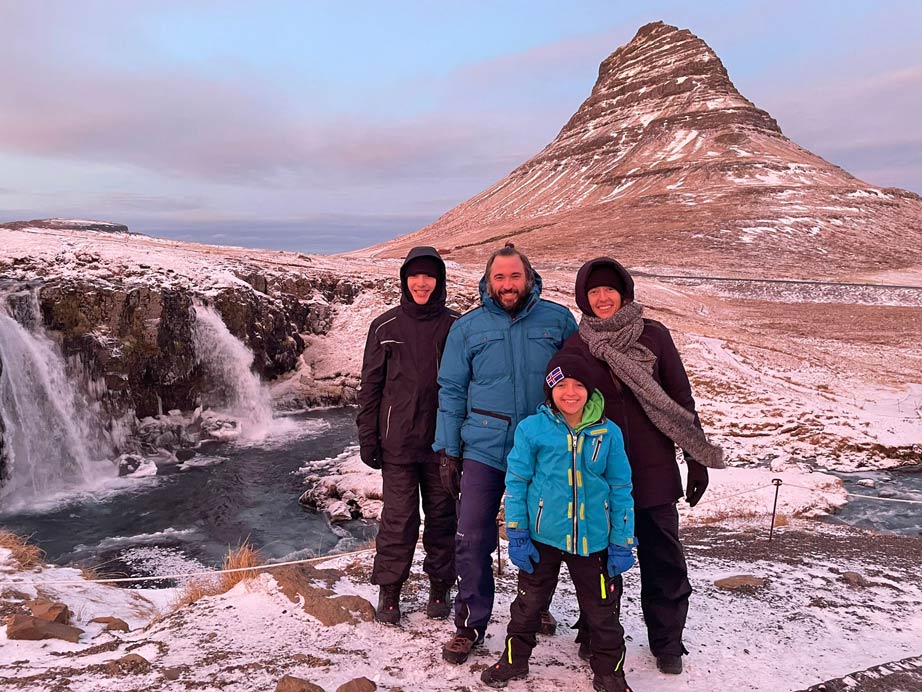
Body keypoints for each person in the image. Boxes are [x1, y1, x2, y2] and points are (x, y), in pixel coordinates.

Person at [561, 256, 724, 675]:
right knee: (597, 559)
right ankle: (597, 631)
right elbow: (566, 410)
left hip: (653, 471)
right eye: (593, 290)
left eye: (609, 289)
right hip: (598, 475)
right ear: (583, 296)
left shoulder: (654, 337)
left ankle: (668, 641)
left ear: (624, 292)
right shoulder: (576, 346)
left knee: (663, 559)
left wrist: (696, 457)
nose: (602, 297)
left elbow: (679, 400)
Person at [433, 242, 578, 664]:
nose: (508, 284)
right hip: (484, 447)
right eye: (500, 277)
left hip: (542, 447)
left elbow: (578, 382)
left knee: (542, 534)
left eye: (515, 276)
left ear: (529, 278)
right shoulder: (468, 328)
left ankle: (534, 609)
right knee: (473, 536)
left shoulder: (558, 320)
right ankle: (469, 624)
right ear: (488, 281)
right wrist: (448, 449)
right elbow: (452, 389)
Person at [481, 352, 636, 692]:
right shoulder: (532, 429)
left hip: (594, 541)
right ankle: (514, 659)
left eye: (579, 385)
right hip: (542, 538)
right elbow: (518, 481)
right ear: (549, 390)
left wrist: (623, 540)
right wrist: (518, 532)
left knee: (603, 612)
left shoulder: (608, 432)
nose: (570, 392)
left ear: (590, 390)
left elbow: (622, 487)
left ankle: (610, 672)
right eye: (561, 385)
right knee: (527, 605)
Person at [356, 246, 460, 625]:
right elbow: (370, 386)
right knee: (398, 520)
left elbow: (467, 384)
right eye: (414, 275)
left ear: (439, 280)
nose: (421, 282)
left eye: (428, 276)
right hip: (396, 444)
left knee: (442, 518)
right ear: (404, 280)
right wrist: (368, 435)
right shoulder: (385, 327)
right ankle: (390, 591)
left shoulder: (454, 326)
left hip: (442, 444)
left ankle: (440, 586)